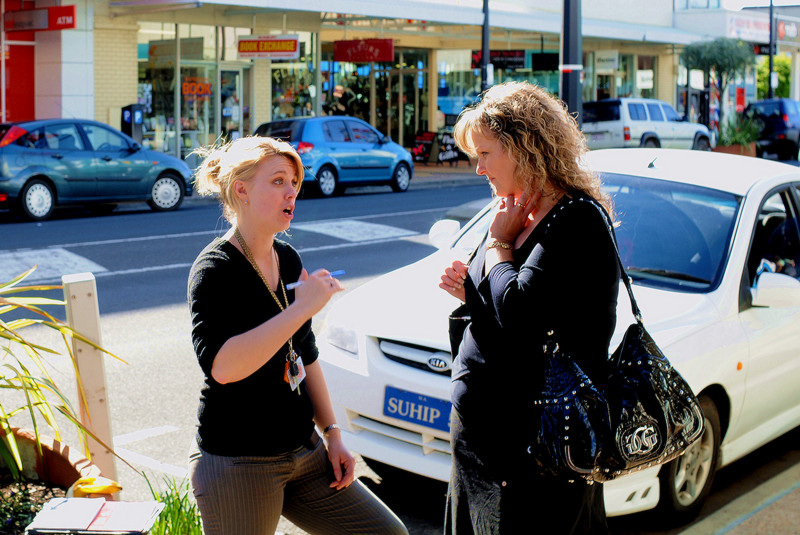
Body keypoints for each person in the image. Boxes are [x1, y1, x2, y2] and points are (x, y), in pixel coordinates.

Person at [187, 136, 408, 535]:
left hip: (304, 451)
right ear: (242, 190)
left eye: (294, 182)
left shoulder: (287, 258)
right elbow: (223, 366)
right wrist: (302, 308)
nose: (292, 192)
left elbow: (304, 353)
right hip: (240, 461)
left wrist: (332, 433)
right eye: (277, 181)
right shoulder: (214, 269)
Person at [439, 81, 621, 534]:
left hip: (537, 446)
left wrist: (500, 243)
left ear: (524, 146)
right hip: (483, 437)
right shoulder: (515, 205)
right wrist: (471, 291)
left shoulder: (576, 219)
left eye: (485, 153)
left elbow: (521, 313)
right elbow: (505, 305)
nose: (478, 168)